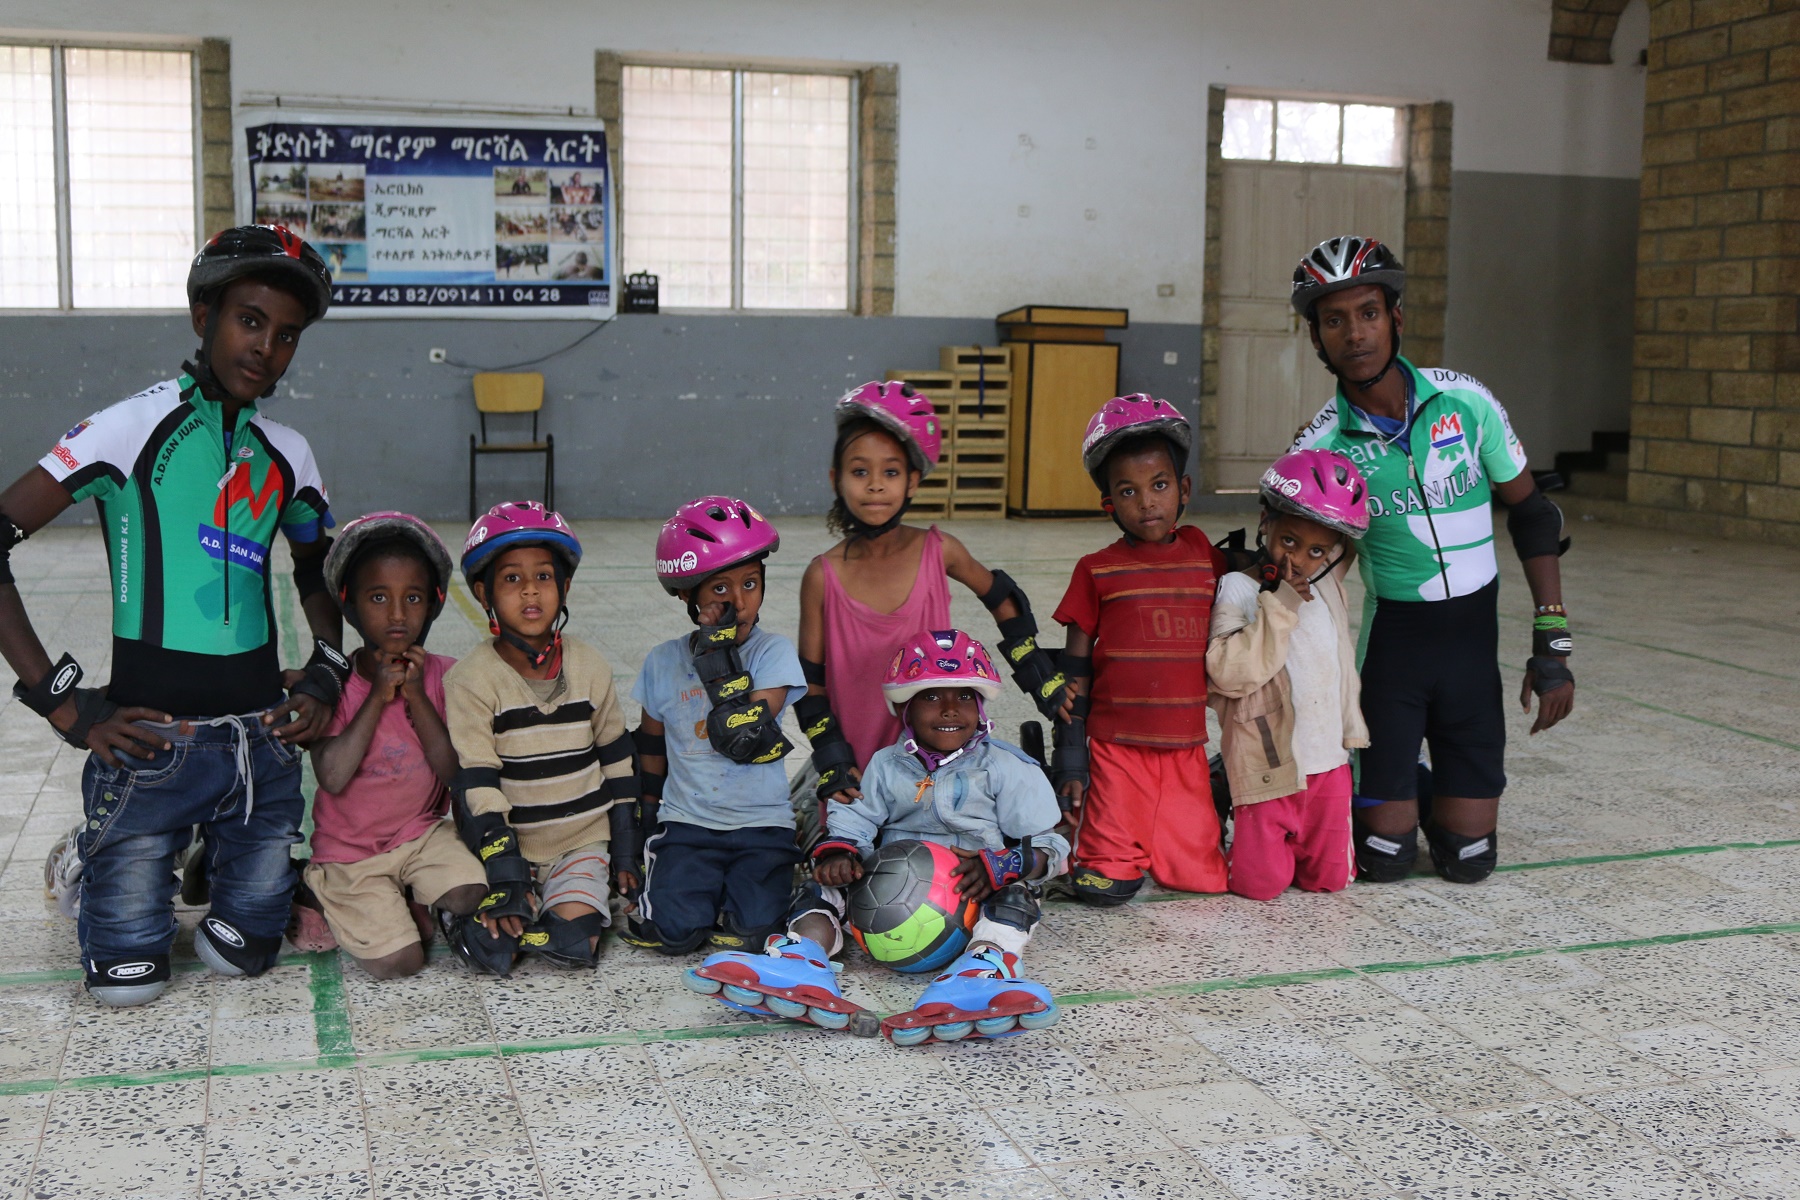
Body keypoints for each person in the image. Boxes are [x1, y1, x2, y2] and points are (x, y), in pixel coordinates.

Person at [2, 225, 346, 1006]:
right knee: (126, 987)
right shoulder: (129, 427)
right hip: (149, 749)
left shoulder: (288, 451)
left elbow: (315, 570)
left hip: (258, 746)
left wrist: (327, 670)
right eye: (249, 320)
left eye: (287, 334)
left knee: (239, 957)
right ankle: (94, 858)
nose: (266, 348)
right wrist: (63, 703)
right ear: (203, 317)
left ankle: (205, 852)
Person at [1287, 235, 1574, 884]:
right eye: (1334, 320)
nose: (1354, 334)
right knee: (1383, 861)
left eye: (1368, 313)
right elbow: (1294, 556)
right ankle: (1398, 783)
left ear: (1395, 318)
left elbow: (1533, 514)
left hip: (1471, 655)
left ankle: (1428, 793)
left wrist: (1552, 643)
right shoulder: (1321, 445)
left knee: (1469, 861)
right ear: (1316, 339)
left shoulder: (1466, 401)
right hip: (1394, 655)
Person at [694, 629, 1064, 1045]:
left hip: (973, 895)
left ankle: (982, 971)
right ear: (904, 707)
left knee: (1016, 897)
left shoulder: (1006, 767)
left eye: (964, 696)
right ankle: (801, 959)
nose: (949, 709)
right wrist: (840, 853)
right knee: (822, 887)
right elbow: (856, 820)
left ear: (980, 705)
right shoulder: (887, 764)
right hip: (887, 897)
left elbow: (1051, 847)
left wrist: (1004, 864)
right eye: (930, 696)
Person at [793, 382, 1068, 842]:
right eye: (860, 471)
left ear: (913, 480)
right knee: (852, 861)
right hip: (857, 764)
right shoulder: (823, 575)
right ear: (835, 478)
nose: (875, 484)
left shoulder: (938, 551)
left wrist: (1039, 673)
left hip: (940, 750)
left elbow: (1004, 598)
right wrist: (831, 756)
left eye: (891, 471)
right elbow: (810, 684)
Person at [440, 501, 641, 976]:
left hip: (580, 841)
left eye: (544, 577)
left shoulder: (590, 665)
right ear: (483, 593)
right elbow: (477, 784)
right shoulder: (470, 679)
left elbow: (617, 761)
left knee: (575, 943)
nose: (530, 589)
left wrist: (625, 846)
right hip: (507, 842)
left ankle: (550, 904)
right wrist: (505, 872)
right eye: (511, 578)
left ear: (564, 587)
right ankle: (464, 909)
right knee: (495, 952)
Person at [1051, 395, 1230, 904]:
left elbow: (1251, 575)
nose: (1147, 502)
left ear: (1184, 489)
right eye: (1128, 491)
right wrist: (1070, 752)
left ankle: (1214, 789)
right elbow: (1074, 666)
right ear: (1109, 502)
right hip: (1116, 746)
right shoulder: (1096, 569)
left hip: (1185, 744)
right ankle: (1109, 846)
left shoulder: (1203, 553)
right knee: (1104, 885)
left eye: (1159, 485)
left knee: (1205, 880)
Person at [292, 512, 487, 977]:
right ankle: (309, 888)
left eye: (412, 598)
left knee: (471, 894)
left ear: (433, 604)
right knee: (399, 962)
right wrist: (378, 695)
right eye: (378, 597)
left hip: (421, 835)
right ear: (349, 604)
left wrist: (415, 695)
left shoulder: (445, 675)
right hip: (350, 854)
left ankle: (402, 893)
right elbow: (332, 776)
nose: (398, 615)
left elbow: (454, 774)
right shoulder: (333, 685)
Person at [620, 496, 807, 957]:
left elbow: (745, 736)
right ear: (688, 594)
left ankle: (731, 891)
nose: (739, 603)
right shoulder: (662, 661)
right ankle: (699, 890)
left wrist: (715, 655)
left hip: (763, 825)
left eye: (750, 584)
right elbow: (651, 748)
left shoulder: (773, 652)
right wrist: (644, 822)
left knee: (755, 936)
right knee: (675, 934)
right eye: (720, 589)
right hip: (688, 826)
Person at [1207, 450, 1371, 901]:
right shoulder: (1238, 588)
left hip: (1329, 765)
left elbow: (1350, 533)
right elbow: (1228, 674)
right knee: (1259, 887)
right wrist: (1279, 606)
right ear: (1266, 523)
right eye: (1289, 541)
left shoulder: (1328, 583)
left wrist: (1321, 448)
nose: (1297, 561)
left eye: (1316, 551)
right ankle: (1222, 785)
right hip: (1266, 766)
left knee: (1329, 881)